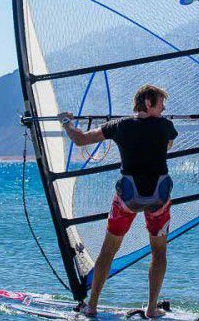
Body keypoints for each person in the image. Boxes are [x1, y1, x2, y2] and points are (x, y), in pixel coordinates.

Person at [59, 84, 178, 318]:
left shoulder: (119, 126)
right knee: (159, 252)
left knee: (108, 250)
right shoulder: (166, 126)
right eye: (161, 104)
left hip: (128, 199)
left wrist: (66, 122)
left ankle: (92, 306)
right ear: (148, 104)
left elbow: (80, 140)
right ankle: (151, 309)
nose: (164, 109)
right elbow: (168, 145)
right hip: (158, 199)